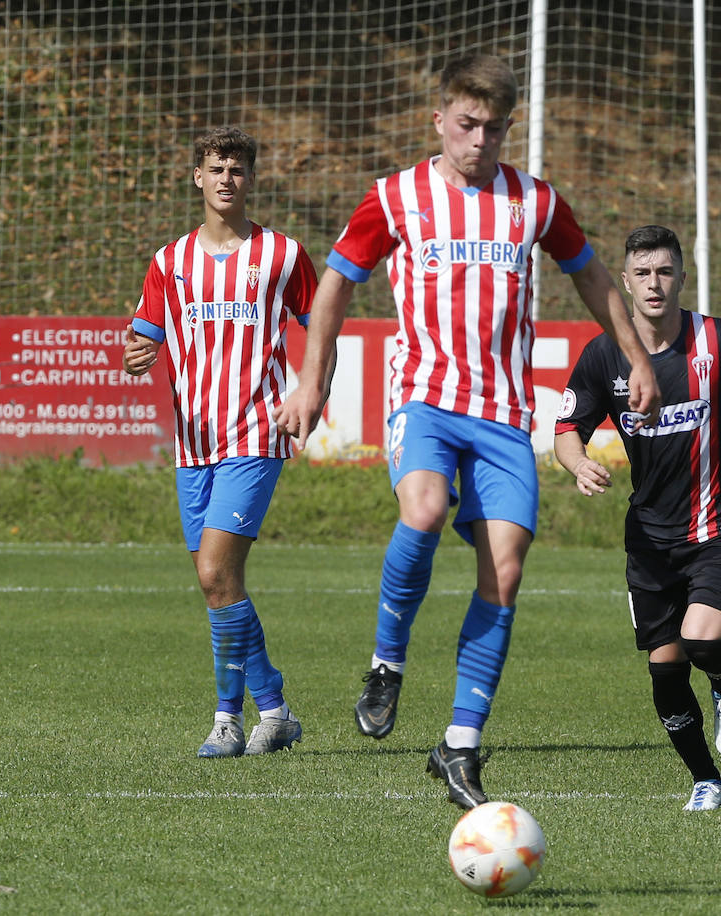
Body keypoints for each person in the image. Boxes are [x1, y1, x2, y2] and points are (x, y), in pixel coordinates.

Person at [274, 52, 660, 809]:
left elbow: (589, 273)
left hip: (503, 417)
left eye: (494, 128)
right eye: (466, 124)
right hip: (424, 401)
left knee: (505, 574)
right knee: (420, 510)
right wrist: (311, 383)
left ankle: (459, 747)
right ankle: (387, 662)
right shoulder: (396, 197)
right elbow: (333, 286)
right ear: (440, 120)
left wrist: (636, 357)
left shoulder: (534, 202)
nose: (479, 140)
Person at [554, 225, 721, 811]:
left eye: (665, 271)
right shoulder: (603, 356)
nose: (655, 284)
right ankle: (705, 778)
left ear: (682, 276)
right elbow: (565, 429)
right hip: (650, 538)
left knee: (703, 639)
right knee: (666, 668)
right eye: (642, 273)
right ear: (624, 282)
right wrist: (577, 465)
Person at [123, 126, 322, 759]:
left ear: (250, 177)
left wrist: (309, 393)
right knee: (218, 585)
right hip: (192, 443)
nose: (226, 178)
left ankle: (226, 720)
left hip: (255, 433)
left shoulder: (282, 256)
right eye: (215, 168)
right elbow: (144, 335)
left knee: (214, 572)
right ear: (198, 178)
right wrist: (137, 352)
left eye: (236, 168)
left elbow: (323, 330)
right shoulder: (170, 262)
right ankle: (277, 710)